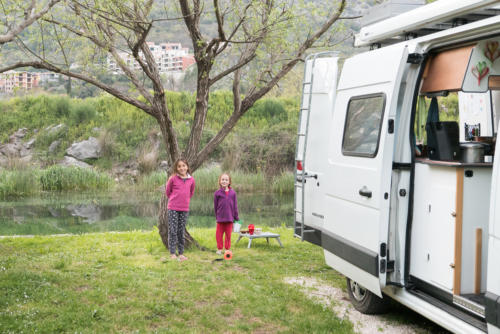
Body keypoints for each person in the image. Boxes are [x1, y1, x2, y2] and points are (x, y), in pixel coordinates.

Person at [165, 159, 195, 261]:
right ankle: (172, 253)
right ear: (176, 168)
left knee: (181, 231)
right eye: (179, 166)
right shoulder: (173, 179)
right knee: (173, 230)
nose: (182, 168)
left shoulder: (191, 180)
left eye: (184, 166)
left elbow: (191, 193)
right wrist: (175, 200)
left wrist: (184, 201)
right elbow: (168, 192)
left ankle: (181, 253)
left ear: (187, 167)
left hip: (184, 208)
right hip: (173, 208)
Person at [214, 173, 239, 255]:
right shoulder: (217, 193)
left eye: (226, 180)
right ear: (220, 181)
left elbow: (235, 206)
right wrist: (217, 216)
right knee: (219, 235)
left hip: (230, 218)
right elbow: (215, 206)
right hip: (220, 219)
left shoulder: (233, 193)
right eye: (223, 179)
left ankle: (227, 249)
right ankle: (220, 249)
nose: (224, 181)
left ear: (229, 182)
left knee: (228, 235)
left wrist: (236, 218)